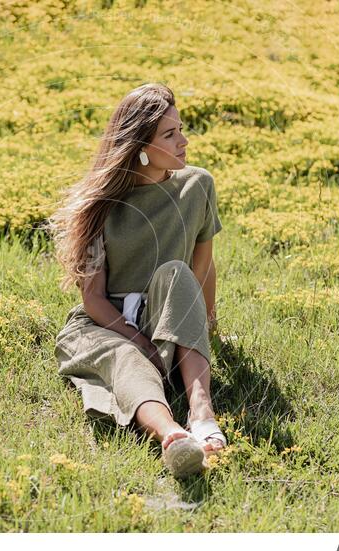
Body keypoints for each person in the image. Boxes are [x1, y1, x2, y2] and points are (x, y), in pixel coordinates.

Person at [45, 82, 226, 478]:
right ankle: (173, 436)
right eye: (171, 134)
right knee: (127, 359)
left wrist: (207, 326)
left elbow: (202, 269)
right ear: (140, 147)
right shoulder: (100, 206)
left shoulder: (198, 185)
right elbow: (93, 297)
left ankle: (201, 412)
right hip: (105, 323)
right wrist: (139, 341)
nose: (185, 140)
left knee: (176, 273)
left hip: (171, 311)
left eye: (181, 128)